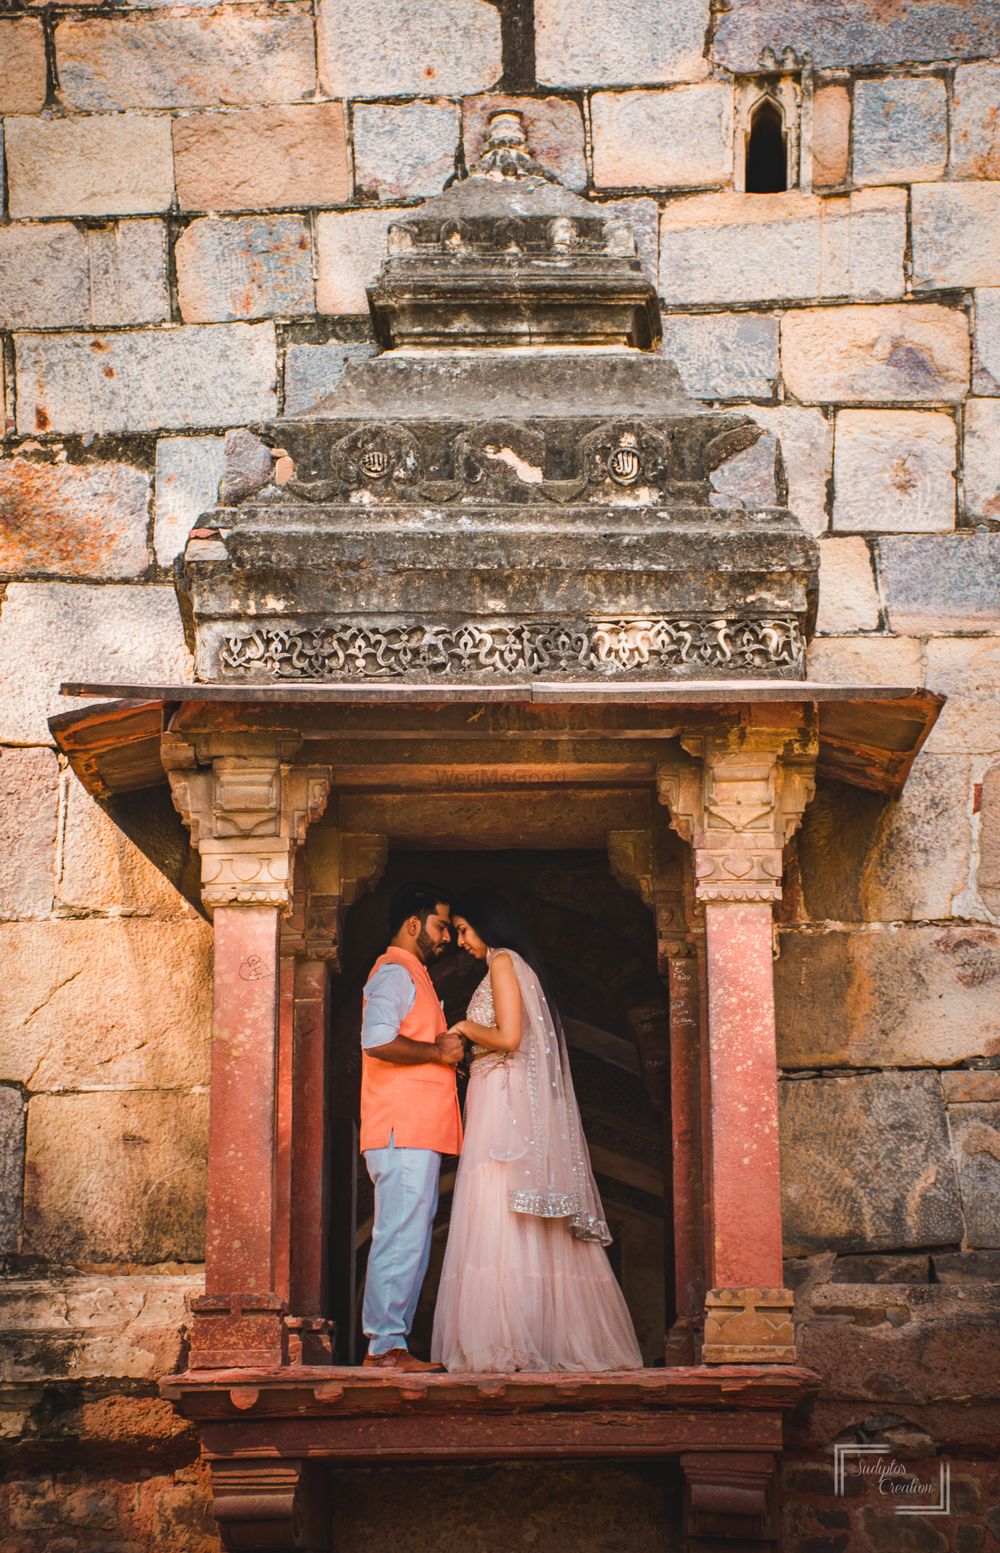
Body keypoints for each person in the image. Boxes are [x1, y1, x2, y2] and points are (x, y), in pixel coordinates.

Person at [431, 887, 642, 1373]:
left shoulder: (504, 961)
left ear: (488, 923)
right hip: (497, 1098)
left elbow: (509, 1037)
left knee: (498, 1211)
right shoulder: (507, 967)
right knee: (508, 1216)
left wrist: (462, 1027)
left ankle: (509, 1339)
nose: (461, 940)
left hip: (503, 1108)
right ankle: (525, 1334)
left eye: (463, 929)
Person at [360, 882, 464, 1371]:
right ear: (412, 923)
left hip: (415, 1128)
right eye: (440, 924)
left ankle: (391, 1343)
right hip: (402, 1128)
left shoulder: (415, 975)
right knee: (400, 1236)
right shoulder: (394, 972)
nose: (445, 936)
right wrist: (437, 1052)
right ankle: (384, 1347)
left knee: (410, 1236)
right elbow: (376, 1039)